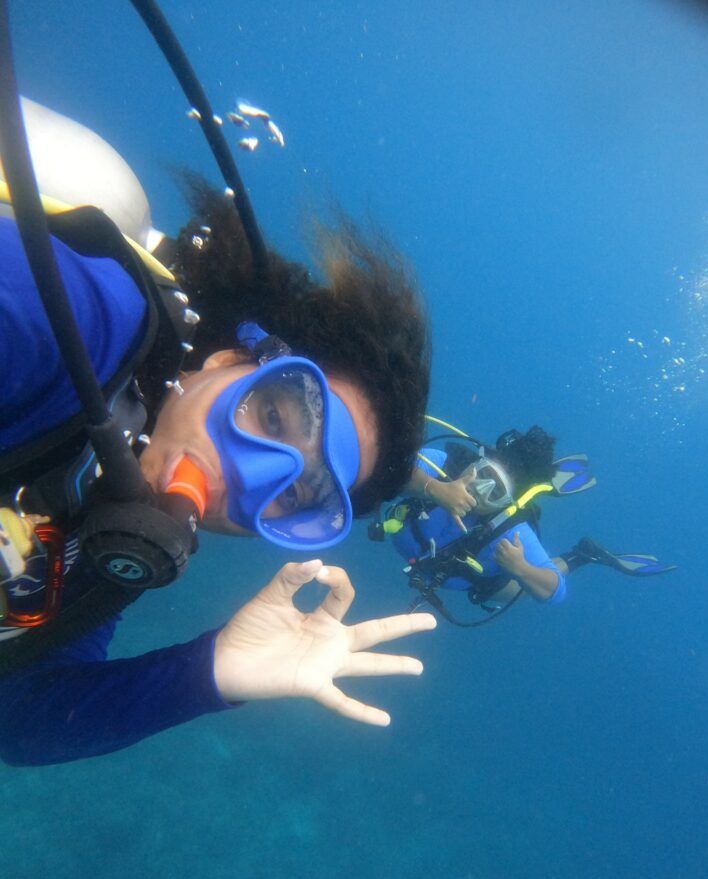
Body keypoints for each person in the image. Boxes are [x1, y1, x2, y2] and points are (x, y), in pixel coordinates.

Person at [0, 99, 436, 766]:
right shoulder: (84, 323)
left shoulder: (120, 520)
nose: (246, 478)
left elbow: (22, 718)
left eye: (291, 496)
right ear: (231, 356)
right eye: (271, 417)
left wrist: (207, 672)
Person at [373, 423, 675, 625]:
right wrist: (435, 488)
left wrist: (521, 568)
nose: (481, 490)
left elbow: (554, 591)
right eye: (483, 474)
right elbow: (390, 466)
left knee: (508, 587)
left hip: (458, 578)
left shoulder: (512, 529)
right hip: (409, 540)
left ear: (511, 500)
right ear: (478, 461)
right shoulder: (446, 464)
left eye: (497, 490)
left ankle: (581, 555)